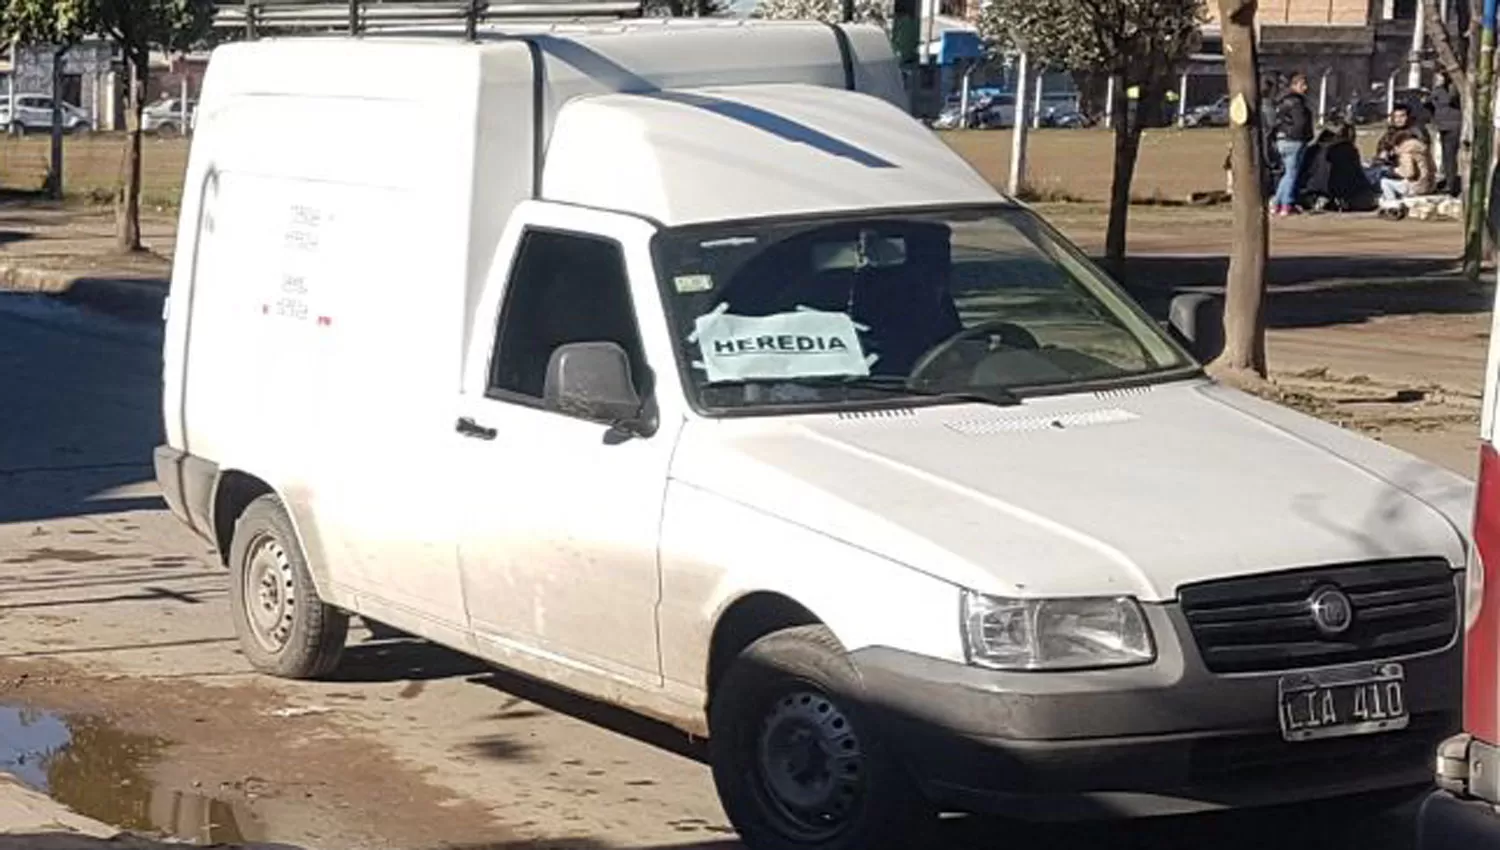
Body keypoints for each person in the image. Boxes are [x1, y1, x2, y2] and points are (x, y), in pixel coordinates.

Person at [1297, 121, 1377, 211]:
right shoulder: (1347, 149)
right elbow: (1356, 174)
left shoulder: (1313, 149)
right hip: (1335, 187)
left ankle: (1318, 200)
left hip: (1308, 185)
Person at [1272, 71, 1314, 215]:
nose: (1306, 88)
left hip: (1281, 139)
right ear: (1295, 85)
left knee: (1288, 173)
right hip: (1294, 140)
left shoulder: (1281, 101)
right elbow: (1300, 122)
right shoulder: (1297, 102)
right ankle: (1286, 204)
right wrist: (1305, 136)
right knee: (1292, 174)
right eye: (1303, 84)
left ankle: (1276, 203)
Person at [1431, 71, 1463, 196]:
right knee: (1446, 156)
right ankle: (1448, 181)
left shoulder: (1453, 87)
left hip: (1454, 126)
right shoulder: (1438, 89)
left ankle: (1451, 185)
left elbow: (1451, 98)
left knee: (1450, 157)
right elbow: (1430, 102)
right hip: (1443, 126)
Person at [1380, 131, 1436, 201]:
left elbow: (1410, 173)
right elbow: (1434, 168)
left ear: (1397, 145)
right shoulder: (1424, 149)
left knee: (1384, 182)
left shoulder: (1406, 152)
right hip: (1430, 185)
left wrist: (1395, 170)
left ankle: (1393, 204)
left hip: (1416, 187)